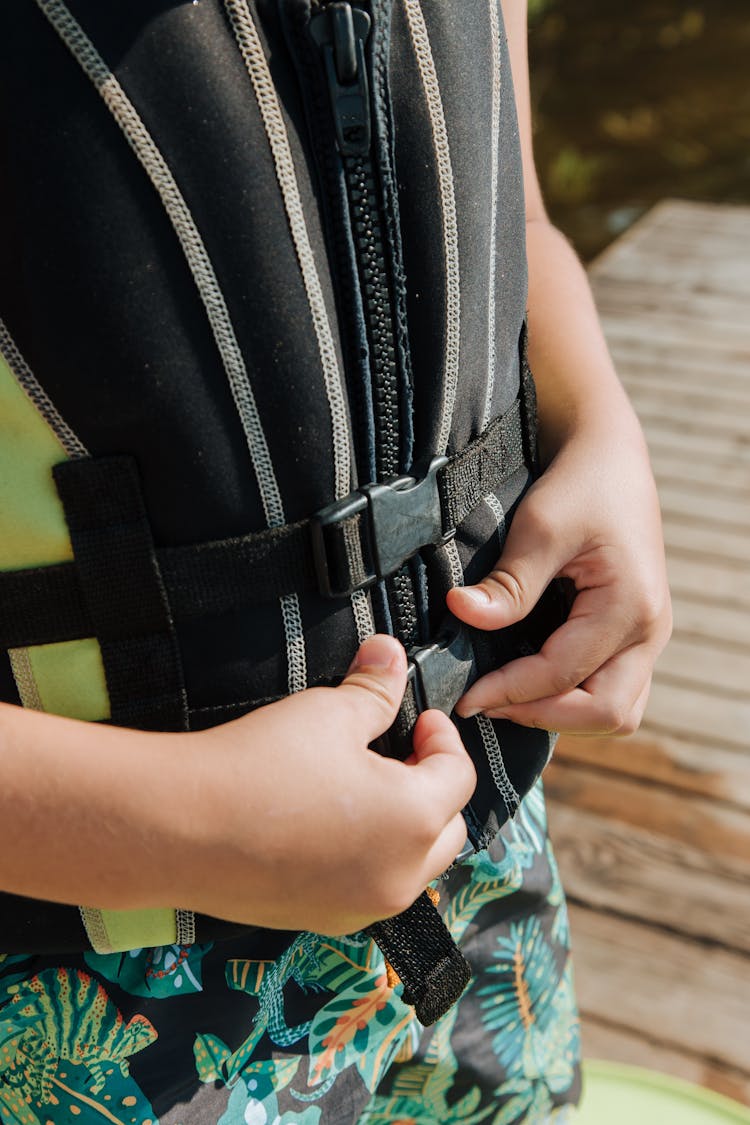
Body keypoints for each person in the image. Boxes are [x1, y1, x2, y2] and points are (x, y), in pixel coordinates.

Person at [0, 0, 671, 1121]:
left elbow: (518, 201)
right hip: (99, 1006)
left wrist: (595, 415)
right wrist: (185, 824)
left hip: (479, 862)